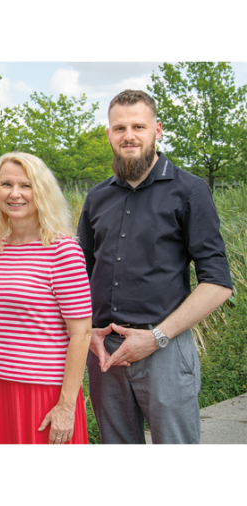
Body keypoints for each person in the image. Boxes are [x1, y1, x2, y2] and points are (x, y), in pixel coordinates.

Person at [77, 90, 233, 445]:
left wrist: (156, 337)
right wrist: (87, 333)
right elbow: (79, 274)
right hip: (106, 353)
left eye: (138, 126)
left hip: (164, 348)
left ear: (157, 130)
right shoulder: (97, 197)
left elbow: (218, 283)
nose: (128, 135)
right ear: (109, 134)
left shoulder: (190, 190)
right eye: (119, 128)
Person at [0, 152, 93, 445]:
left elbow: (81, 333)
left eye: (26, 185)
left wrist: (66, 407)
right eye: (6, 184)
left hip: (44, 390)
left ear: (41, 191)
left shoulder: (62, 250)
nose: (15, 194)